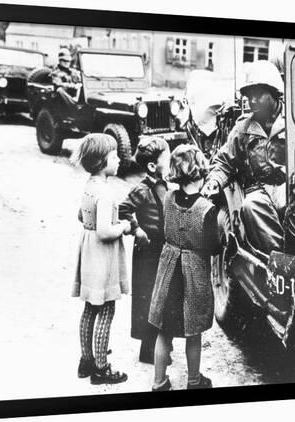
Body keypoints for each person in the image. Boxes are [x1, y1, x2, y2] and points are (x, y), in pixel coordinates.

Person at [148, 144, 221, 391]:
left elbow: (163, 229)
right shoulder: (207, 209)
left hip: (169, 274)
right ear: (200, 173)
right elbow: (214, 246)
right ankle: (194, 381)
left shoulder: (168, 197)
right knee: (194, 331)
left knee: (163, 331)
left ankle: (158, 382)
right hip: (194, 277)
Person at [201, 60, 286, 254]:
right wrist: (214, 181)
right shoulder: (243, 128)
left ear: (274, 93)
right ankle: (279, 257)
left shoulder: (292, 122)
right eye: (249, 96)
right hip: (258, 188)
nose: (252, 101)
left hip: (287, 185)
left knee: (290, 204)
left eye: (258, 95)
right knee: (251, 205)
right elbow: (224, 161)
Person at [71, 133, 131, 385]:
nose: (119, 160)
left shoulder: (89, 186)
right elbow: (106, 232)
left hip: (89, 251)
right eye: (115, 156)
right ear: (101, 162)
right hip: (103, 256)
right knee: (106, 307)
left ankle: (86, 361)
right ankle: (101, 368)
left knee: (90, 307)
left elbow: (80, 216)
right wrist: (124, 226)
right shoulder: (105, 193)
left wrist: (94, 224)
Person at [118, 137, 172, 364]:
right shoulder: (141, 189)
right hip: (147, 253)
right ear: (152, 166)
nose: (169, 163)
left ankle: (159, 347)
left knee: (163, 298)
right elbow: (123, 210)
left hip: (163, 249)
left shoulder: (165, 186)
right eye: (166, 159)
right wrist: (137, 229)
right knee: (148, 298)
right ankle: (148, 350)